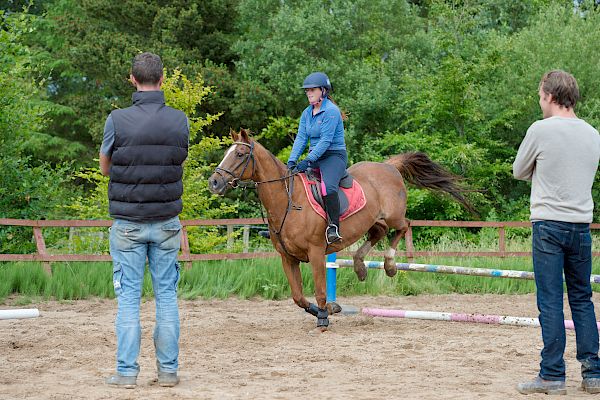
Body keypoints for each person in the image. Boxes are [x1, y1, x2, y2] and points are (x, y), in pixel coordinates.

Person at [100, 52, 189, 389]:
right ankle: (168, 372)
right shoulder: (179, 119)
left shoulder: (116, 119)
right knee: (167, 296)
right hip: (167, 221)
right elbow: (177, 160)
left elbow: (105, 166)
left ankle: (126, 373)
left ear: (132, 79)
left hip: (128, 222)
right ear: (162, 80)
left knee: (128, 298)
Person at [514, 70, 600, 395]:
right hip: (581, 226)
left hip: (548, 224)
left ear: (550, 96)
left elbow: (519, 170)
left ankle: (552, 375)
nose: (539, 102)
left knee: (550, 301)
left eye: (540, 96)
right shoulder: (593, 134)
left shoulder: (540, 130)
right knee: (582, 299)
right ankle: (593, 374)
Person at [287, 72, 347, 244]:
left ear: (323, 91)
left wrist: (307, 160)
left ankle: (333, 226)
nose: (308, 93)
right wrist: (292, 160)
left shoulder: (331, 111)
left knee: (327, 187)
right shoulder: (307, 113)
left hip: (333, 156)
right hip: (315, 156)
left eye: (312, 90)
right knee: (291, 182)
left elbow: (326, 141)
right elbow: (300, 138)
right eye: (307, 91)